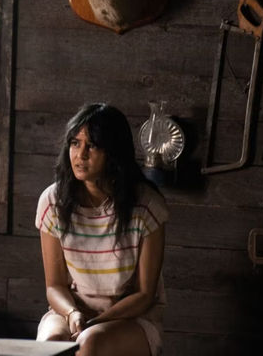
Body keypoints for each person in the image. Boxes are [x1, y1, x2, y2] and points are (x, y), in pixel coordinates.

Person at [35, 103, 167, 356]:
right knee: (50, 345)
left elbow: (144, 294)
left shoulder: (147, 205)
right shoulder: (52, 201)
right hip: (71, 310)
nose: (80, 155)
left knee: (89, 344)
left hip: (131, 318)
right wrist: (73, 313)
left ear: (113, 153)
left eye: (92, 146)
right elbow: (54, 286)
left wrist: (95, 322)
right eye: (75, 143)